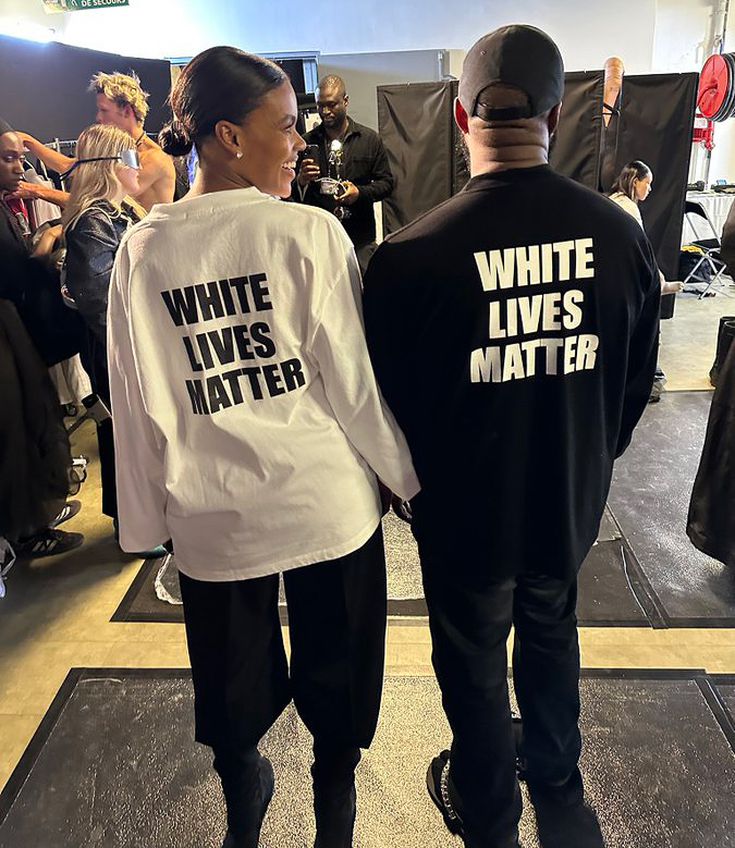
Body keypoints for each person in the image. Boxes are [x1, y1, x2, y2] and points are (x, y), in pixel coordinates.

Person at [107, 46, 418, 848]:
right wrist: (405, 480)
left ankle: (243, 798)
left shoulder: (144, 249)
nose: (299, 142)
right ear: (228, 136)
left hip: (213, 514)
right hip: (325, 504)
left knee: (229, 687)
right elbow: (352, 385)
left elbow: (134, 402)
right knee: (340, 677)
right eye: (284, 126)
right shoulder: (309, 233)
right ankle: (332, 808)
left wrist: (146, 524)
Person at [363, 25, 660, 848]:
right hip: (565, 497)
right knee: (550, 628)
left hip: (462, 515)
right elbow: (633, 384)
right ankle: (556, 779)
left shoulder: (406, 257)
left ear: (461, 119)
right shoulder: (619, 237)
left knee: (470, 659)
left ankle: (488, 810)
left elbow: (383, 410)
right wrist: (586, 458)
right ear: (557, 117)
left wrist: (416, 492)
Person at [61, 123, 160, 557]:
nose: (139, 167)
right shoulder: (93, 222)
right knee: (123, 436)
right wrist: (136, 349)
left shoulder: (117, 214)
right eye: (130, 158)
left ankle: (139, 520)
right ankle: (131, 527)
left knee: (135, 435)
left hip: (127, 343)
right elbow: (101, 302)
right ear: (109, 165)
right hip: (115, 349)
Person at [0, 118, 83, 558]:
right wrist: (46, 243)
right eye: (8, 158)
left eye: (20, 157)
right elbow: (14, 273)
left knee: (29, 422)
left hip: (10, 330)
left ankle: (32, 517)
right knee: (16, 428)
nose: (19, 167)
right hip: (4, 338)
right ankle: (25, 528)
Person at [18, 71, 175, 211]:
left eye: (104, 110)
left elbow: (100, 203)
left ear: (127, 111)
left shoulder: (155, 158)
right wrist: (28, 141)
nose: (98, 117)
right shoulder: (120, 153)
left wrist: (37, 190)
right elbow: (70, 166)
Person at [295, 75, 394, 274]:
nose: (325, 112)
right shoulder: (305, 143)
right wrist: (301, 181)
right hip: (320, 239)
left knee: (366, 289)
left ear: (346, 101)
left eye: (331, 105)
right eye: (320, 105)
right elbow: (289, 194)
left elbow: (387, 184)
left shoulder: (369, 140)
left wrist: (359, 193)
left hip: (360, 239)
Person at [609, 160, 682, 400]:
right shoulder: (628, 208)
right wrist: (658, 280)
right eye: (647, 183)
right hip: (625, 281)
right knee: (642, 333)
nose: (649, 189)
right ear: (634, 182)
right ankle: (650, 382)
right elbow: (642, 249)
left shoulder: (615, 202)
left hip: (615, 278)